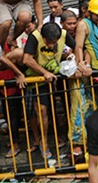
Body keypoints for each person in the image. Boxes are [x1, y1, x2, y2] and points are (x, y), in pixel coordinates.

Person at [23, 22, 76, 159]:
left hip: (58, 74)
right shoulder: (34, 37)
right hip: (38, 78)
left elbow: (78, 47)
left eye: (55, 42)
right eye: (49, 42)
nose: (52, 45)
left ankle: (70, 139)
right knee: (42, 111)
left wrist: (75, 60)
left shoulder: (64, 34)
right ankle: (44, 141)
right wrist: (44, 72)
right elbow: (27, 59)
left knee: (66, 106)